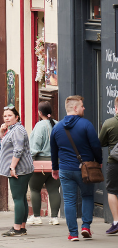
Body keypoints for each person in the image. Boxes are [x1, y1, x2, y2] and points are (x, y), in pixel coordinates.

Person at [51, 95, 102, 241]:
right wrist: (99, 161)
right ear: (75, 108)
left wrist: (55, 168)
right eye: (82, 105)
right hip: (85, 169)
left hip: (65, 169)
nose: (84, 108)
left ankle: (73, 233)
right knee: (87, 196)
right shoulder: (86, 125)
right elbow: (96, 146)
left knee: (68, 201)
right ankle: (86, 226)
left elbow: (53, 151)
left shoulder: (57, 127)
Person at [0, 105, 34, 237]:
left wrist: (12, 167)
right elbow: (6, 146)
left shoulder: (17, 130)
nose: (7, 118)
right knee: (21, 198)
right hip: (21, 169)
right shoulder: (13, 129)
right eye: (5, 116)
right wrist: (2, 133)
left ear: (16, 117)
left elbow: (18, 150)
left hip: (19, 170)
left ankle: (17, 228)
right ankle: (21, 226)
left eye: (10, 115)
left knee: (18, 198)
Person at [29, 101, 61, 227]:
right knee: (54, 190)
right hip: (56, 162)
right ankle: (54, 218)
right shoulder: (59, 124)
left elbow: (35, 146)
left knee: (35, 189)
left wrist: (30, 160)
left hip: (41, 163)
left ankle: (37, 217)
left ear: (39, 112)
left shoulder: (40, 125)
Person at [99, 96, 118, 235]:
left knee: (112, 190)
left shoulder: (109, 123)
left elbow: (100, 142)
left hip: (114, 162)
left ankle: (116, 222)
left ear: (116, 108)